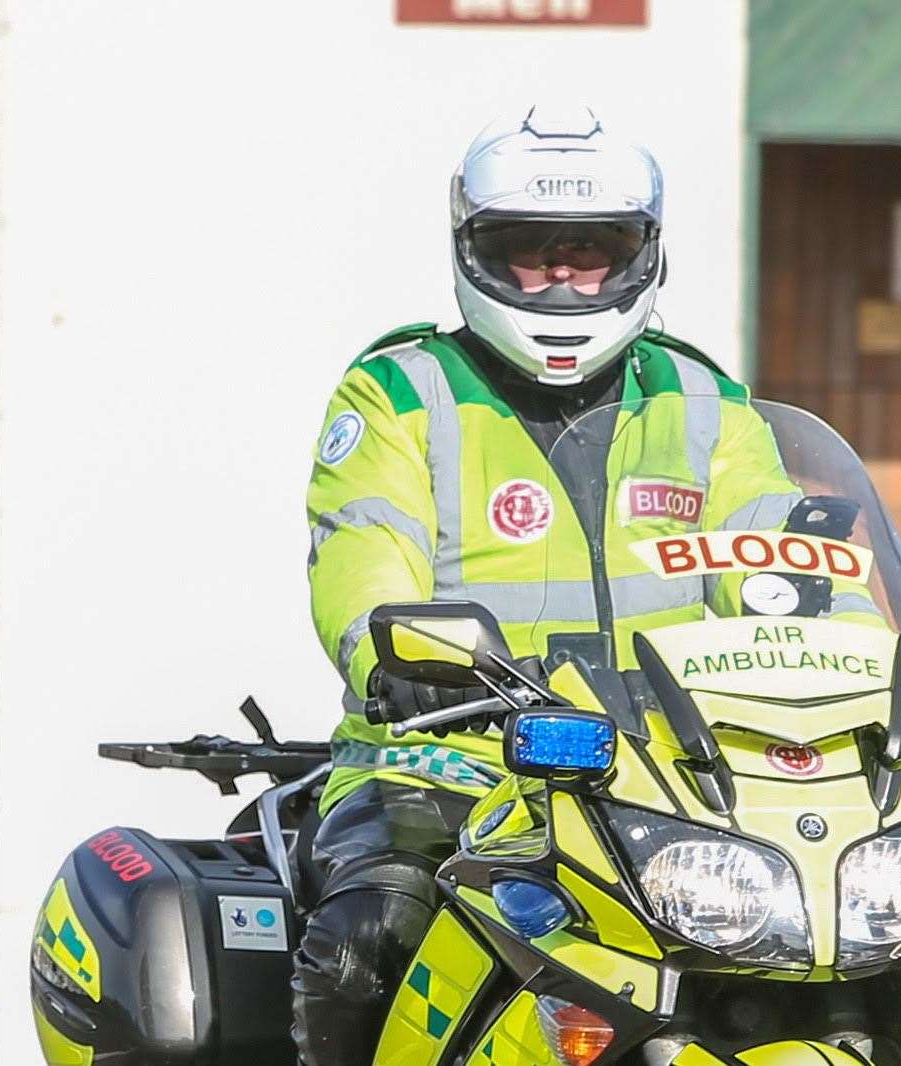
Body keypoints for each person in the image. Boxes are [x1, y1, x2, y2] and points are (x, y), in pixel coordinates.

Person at [293, 103, 805, 1064]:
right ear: (475, 250)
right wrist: (390, 656)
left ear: (640, 255)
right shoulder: (402, 392)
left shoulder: (702, 402)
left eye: (594, 249)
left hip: (666, 776)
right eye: (531, 249)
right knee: (373, 931)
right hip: (446, 762)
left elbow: (776, 552)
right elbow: (363, 550)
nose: (564, 275)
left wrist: (848, 652)